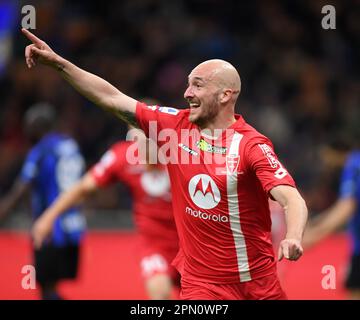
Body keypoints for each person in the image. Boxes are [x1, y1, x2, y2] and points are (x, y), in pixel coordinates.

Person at [22, 28, 308, 300]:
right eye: (187, 84)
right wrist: (59, 64)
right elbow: (111, 97)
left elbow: (291, 198)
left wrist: (293, 237)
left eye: (198, 85)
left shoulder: (251, 146)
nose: (187, 92)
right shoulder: (173, 127)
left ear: (225, 95)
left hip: (257, 281)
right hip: (202, 283)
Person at [32, 127, 180, 300]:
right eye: (139, 138)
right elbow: (84, 187)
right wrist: (49, 216)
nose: (146, 144)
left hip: (192, 244)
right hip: (154, 246)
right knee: (159, 293)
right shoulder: (122, 156)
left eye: (151, 136)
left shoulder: (184, 153)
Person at [0, 102, 86, 300]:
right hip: (73, 227)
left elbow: (22, 188)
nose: (26, 131)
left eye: (28, 126)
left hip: (49, 229)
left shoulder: (41, 151)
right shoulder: (70, 145)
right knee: (51, 286)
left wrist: (3, 212)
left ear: (38, 126)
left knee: (46, 287)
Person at [303, 145, 360, 300]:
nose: (325, 162)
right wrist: (316, 224)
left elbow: (345, 207)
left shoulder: (354, 165)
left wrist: (313, 236)